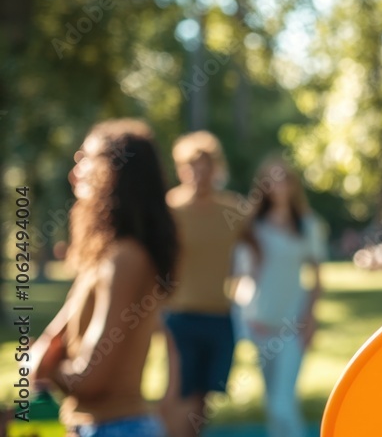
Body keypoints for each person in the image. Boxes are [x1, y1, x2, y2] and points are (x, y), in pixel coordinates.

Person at [31, 119, 179, 436]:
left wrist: (49, 366)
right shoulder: (104, 257)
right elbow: (51, 343)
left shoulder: (125, 259)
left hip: (116, 428)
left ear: (114, 171)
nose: (76, 172)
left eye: (85, 158)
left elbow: (89, 377)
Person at [160, 131, 248, 437]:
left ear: (215, 168)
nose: (199, 173)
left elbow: (262, 243)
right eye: (192, 166)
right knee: (178, 392)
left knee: (203, 398)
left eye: (205, 165)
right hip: (180, 315)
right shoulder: (170, 209)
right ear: (182, 169)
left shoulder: (233, 210)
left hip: (219, 314)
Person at [232, 156, 324, 437]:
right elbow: (242, 279)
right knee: (272, 405)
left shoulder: (307, 226)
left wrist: (309, 319)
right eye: (271, 180)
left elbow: (317, 279)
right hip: (260, 325)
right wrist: (246, 318)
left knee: (283, 404)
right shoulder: (252, 228)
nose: (278, 186)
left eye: (283, 178)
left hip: (291, 327)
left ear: (292, 184)